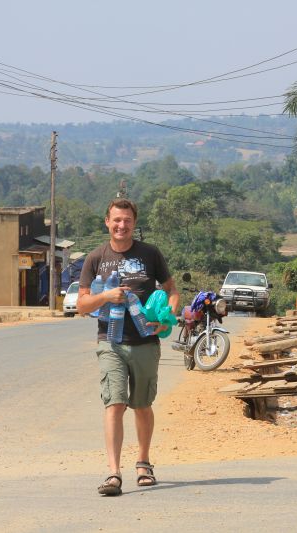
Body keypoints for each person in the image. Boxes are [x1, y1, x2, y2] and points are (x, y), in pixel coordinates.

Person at [77, 198, 178, 497]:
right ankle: (113, 473)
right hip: (110, 341)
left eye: (127, 221)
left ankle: (143, 463)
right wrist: (106, 296)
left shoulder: (150, 254)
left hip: (146, 341)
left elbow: (171, 289)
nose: (122, 226)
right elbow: (82, 305)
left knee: (142, 405)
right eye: (116, 220)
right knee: (115, 403)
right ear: (107, 222)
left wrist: (169, 315)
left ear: (134, 223)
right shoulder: (95, 258)